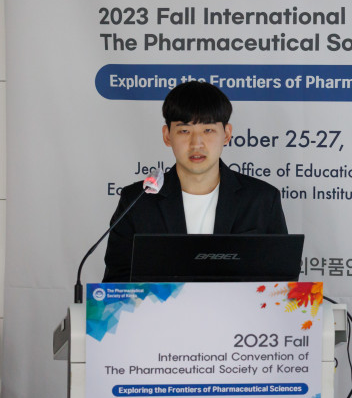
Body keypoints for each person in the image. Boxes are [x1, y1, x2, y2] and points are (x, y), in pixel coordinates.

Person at [102, 81, 288, 282]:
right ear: (167, 135)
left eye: (208, 130)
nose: (196, 144)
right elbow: (116, 283)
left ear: (226, 134)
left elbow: (280, 283)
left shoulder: (262, 199)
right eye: (184, 131)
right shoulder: (137, 200)